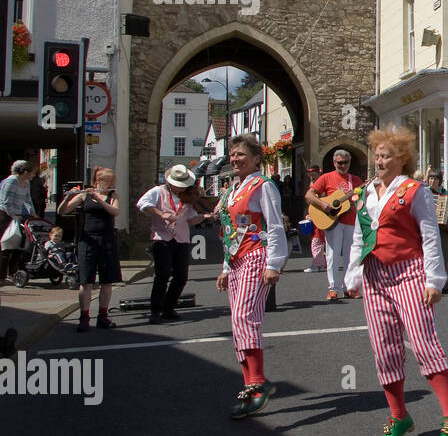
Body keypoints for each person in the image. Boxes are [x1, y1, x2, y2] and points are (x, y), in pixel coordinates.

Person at [344, 126, 448, 436]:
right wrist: (353, 275)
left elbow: (429, 237)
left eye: (386, 155)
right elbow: (360, 237)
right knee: (384, 348)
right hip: (374, 275)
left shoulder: (414, 190)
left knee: (424, 344)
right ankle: (399, 416)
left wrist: (435, 279)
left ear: (402, 159)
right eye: (377, 155)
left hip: (409, 272)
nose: (379, 160)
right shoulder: (366, 193)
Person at [216, 134, 287, 419]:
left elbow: (275, 226)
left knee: (246, 317)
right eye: (232, 154)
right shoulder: (233, 189)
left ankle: (258, 382)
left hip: (257, 256)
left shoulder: (263, 186)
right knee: (237, 323)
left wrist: (275, 263)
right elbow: (231, 231)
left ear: (257, 158)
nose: (235, 159)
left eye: (241, 154)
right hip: (235, 259)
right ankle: (250, 388)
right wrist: (224, 267)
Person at [137, 165, 210, 324]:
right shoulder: (158, 191)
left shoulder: (187, 198)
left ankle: (168, 308)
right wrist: (161, 213)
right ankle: (155, 310)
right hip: (161, 238)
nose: (183, 188)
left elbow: (191, 219)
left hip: (181, 239)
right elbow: (142, 204)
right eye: (180, 184)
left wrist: (204, 216)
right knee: (162, 275)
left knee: (181, 276)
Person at [58, 168, 123, 330]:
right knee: (86, 281)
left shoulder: (113, 196)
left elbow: (115, 211)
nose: (108, 184)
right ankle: (84, 317)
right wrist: (68, 197)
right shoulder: (83, 195)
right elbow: (62, 211)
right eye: (105, 181)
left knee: (107, 281)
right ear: (97, 180)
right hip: (87, 241)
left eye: (110, 181)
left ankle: (103, 316)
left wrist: (100, 199)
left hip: (107, 240)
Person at [304, 150, 361, 302]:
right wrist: (323, 205)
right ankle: (333, 288)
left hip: (351, 221)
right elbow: (309, 195)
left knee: (351, 257)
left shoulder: (355, 180)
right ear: (334, 163)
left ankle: (348, 287)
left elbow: (362, 199)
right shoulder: (326, 178)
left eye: (345, 162)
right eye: (339, 163)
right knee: (332, 255)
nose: (343, 166)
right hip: (333, 221)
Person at [0, 160, 36, 282]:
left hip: (17, 216)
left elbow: (27, 199)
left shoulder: (26, 183)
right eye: (32, 173)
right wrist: (12, 215)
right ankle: (2, 275)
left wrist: (33, 213)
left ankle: (12, 273)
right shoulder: (11, 181)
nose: (33, 176)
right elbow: (5, 201)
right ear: (25, 172)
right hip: (5, 215)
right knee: (7, 243)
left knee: (19, 244)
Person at [426, 169, 448, 294]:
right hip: (428, 229)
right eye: (430, 178)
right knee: (428, 256)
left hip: (443, 229)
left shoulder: (445, 193)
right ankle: (429, 285)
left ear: (439, 181)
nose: (432, 181)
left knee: (443, 257)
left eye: (435, 179)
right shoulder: (425, 192)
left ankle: (444, 286)